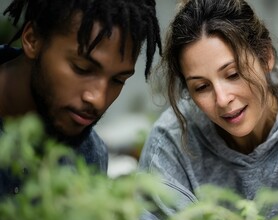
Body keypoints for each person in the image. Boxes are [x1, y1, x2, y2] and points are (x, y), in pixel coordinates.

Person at [138, 0, 278, 220]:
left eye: (233, 74)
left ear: (265, 58)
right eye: (201, 87)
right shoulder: (170, 146)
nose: (223, 99)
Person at [0, 0, 161, 197]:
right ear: (32, 39)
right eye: (82, 69)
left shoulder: (90, 157)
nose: (98, 100)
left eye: (118, 80)